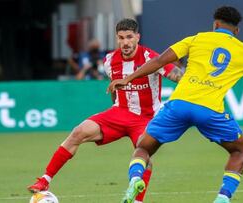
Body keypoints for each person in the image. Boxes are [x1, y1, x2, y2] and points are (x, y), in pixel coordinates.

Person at [108, 6, 243, 203]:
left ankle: (134, 180)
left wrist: (128, 79)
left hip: (179, 104)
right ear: (236, 31)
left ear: (215, 25)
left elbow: (159, 61)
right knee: (240, 150)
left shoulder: (196, 39)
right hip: (209, 110)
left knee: (143, 148)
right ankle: (223, 198)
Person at [28, 18, 183, 203]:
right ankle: (44, 180)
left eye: (129, 37)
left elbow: (178, 76)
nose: (125, 42)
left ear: (137, 37)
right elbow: (114, 88)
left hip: (146, 118)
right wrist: (114, 98)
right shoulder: (109, 60)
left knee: (144, 155)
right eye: (121, 38)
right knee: (79, 132)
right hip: (119, 112)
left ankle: (137, 200)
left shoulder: (151, 58)